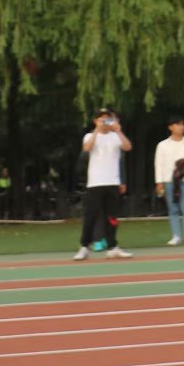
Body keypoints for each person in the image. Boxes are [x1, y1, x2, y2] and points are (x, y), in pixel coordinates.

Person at [74, 110, 133, 260]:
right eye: (102, 119)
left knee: (112, 217)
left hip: (112, 181)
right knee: (91, 216)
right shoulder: (89, 136)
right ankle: (84, 246)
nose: (105, 122)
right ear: (95, 121)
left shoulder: (115, 136)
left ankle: (112, 247)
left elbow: (127, 147)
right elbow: (86, 148)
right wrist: (97, 130)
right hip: (95, 183)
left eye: (108, 119)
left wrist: (118, 130)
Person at [153, 117, 184, 246]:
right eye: (177, 124)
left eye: (182, 124)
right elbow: (159, 164)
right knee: (173, 208)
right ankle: (176, 236)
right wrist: (159, 182)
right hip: (169, 180)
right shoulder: (162, 145)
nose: (181, 127)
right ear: (171, 127)